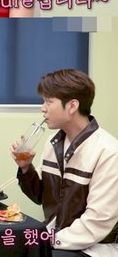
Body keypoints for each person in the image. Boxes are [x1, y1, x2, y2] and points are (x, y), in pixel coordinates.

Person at [11, 69, 118, 257]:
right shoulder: (54, 142)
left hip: (94, 248)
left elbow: (96, 223)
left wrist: (46, 241)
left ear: (72, 106)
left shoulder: (108, 151)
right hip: (57, 238)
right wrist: (26, 168)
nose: (43, 108)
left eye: (48, 102)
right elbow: (40, 196)